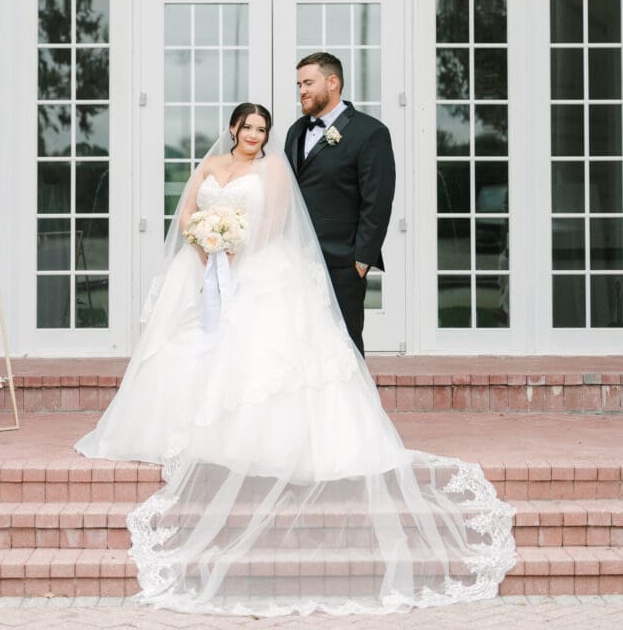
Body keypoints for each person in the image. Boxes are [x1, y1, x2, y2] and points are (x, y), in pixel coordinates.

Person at [75, 103, 515, 615]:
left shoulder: (273, 168)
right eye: (248, 127)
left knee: (261, 350)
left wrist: (235, 250)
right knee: (185, 343)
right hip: (203, 264)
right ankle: (178, 425)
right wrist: (205, 245)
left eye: (263, 129)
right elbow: (188, 212)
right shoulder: (210, 166)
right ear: (234, 128)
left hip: (258, 266)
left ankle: (247, 433)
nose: (255, 136)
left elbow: (275, 222)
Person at [285, 52, 396, 356]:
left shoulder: (370, 132)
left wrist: (361, 260)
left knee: (344, 346)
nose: (302, 90)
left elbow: (377, 201)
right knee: (300, 345)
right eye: (299, 84)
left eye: (308, 82)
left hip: (343, 261)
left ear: (333, 82)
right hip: (297, 259)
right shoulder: (296, 131)